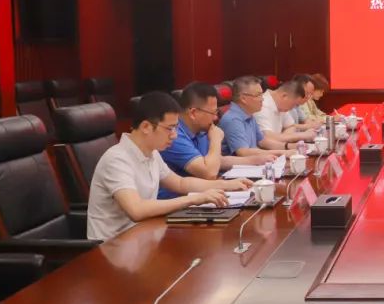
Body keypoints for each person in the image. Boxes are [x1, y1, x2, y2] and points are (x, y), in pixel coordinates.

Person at [87, 91, 253, 241]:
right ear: (146, 127)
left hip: (144, 236)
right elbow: (136, 209)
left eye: (176, 128)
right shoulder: (117, 159)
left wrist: (227, 185)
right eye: (170, 128)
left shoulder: (152, 153)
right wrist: (194, 199)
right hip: (113, 247)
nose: (174, 136)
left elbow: (180, 183)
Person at [158, 82, 273, 198]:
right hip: (176, 201)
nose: (216, 117)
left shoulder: (201, 129)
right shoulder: (173, 135)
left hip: (202, 193)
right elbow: (209, 173)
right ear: (193, 113)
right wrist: (215, 140)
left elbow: (216, 160)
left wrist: (255, 160)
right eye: (212, 112)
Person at [218, 76, 294, 157]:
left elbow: (262, 141)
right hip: (241, 163)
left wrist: (289, 146)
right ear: (243, 98)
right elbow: (244, 152)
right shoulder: (233, 120)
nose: (262, 99)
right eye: (258, 95)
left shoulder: (248, 114)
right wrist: (283, 153)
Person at [255, 77, 317, 144]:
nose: (292, 108)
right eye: (293, 104)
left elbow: (291, 126)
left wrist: (283, 138)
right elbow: (267, 138)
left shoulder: (281, 105)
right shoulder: (261, 105)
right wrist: (301, 135)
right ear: (284, 96)